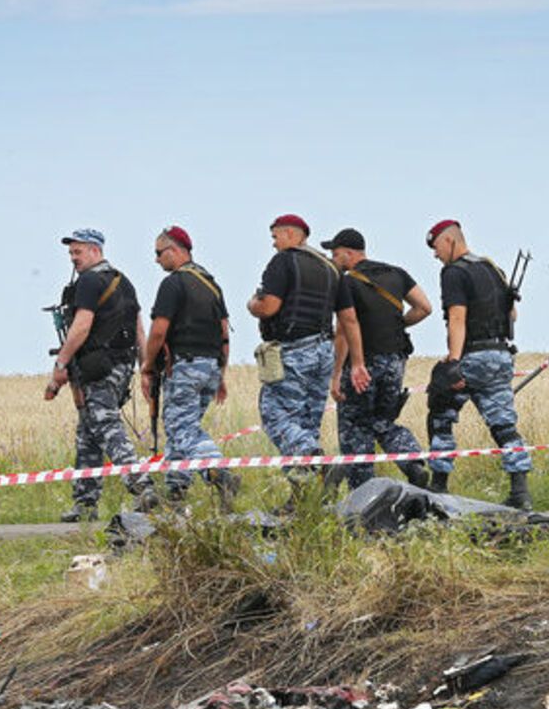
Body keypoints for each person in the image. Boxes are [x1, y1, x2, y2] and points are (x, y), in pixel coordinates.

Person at [44, 228, 155, 521]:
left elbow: (81, 326)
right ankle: (85, 502)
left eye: (77, 252)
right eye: (70, 253)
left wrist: (60, 365)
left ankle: (142, 486)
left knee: (105, 425)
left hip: (99, 368)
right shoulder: (125, 282)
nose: (73, 259)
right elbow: (140, 329)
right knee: (88, 431)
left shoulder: (90, 282)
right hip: (120, 366)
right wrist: (145, 367)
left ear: (95, 250)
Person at [424, 219, 532, 510]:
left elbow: (457, 317)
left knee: (440, 412)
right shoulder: (491, 268)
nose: (435, 255)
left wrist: (454, 363)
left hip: (473, 356)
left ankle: (438, 486)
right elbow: (513, 315)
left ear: (449, 241)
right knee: (504, 426)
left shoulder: (454, 272)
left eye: (435, 247)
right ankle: (521, 494)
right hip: (500, 355)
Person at [246, 214, 371, 465]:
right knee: (307, 422)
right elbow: (349, 319)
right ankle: (306, 490)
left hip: (293, 352)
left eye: (275, 236)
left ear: (292, 234)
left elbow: (269, 306)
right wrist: (357, 362)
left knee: (275, 416)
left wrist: (252, 305)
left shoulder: (283, 261)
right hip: (324, 352)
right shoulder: (331, 269)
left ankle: (312, 454)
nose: (273, 243)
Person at [323, 227, 434, 491]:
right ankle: (412, 463)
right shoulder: (396, 273)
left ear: (349, 254)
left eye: (336, 254)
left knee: (355, 427)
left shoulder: (346, 282)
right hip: (396, 361)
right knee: (383, 421)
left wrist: (337, 373)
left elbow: (343, 329)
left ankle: (363, 494)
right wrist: (399, 324)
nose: (333, 260)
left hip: (363, 364)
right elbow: (424, 307)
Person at [140, 225, 240, 504]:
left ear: (174, 250)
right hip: (210, 367)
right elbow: (224, 333)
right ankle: (176, 490)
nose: (156, 259)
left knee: (181, 428)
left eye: (159, 253)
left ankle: (219, 473)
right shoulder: (211, 284)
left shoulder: (174, 283)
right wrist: (220, 375)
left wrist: (147, 367)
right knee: (182, 425)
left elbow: (159, 331)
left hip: (183, 366)